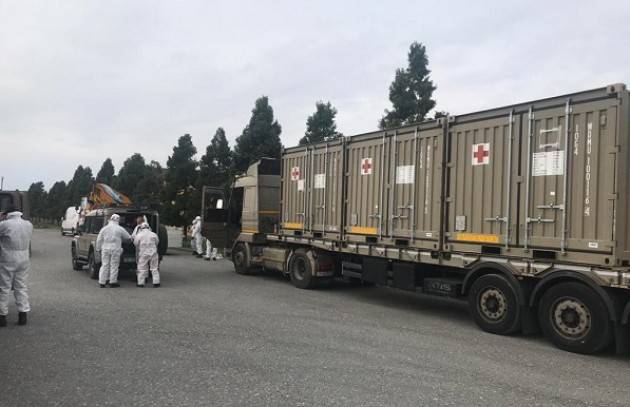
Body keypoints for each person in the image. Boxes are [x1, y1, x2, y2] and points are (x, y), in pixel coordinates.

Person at [0, 206, 33, 327]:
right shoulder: (28, 224)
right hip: (24, 259)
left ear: (7, 214)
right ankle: (23, 315)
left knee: (4, 288)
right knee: (21, 287)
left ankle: (2, 317)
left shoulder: (4, 225)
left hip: (7, 259)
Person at [96, 214, 131, 288]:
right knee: (114, 265)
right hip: (115, 249)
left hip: (105, 248)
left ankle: (102, 282)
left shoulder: (104, 228)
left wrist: (98, 249)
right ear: (118, 220)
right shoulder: (120, 229)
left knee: (105, 265)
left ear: (110, 219)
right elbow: (128, 237)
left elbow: (99, 239)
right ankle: (112, 282)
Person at [133, 223, 160, 288]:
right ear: (148, 227)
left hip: (143, 253)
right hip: (153, 253)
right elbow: (157, 242)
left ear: (141, 228)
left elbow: (135, 243)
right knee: (154, 268)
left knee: (142, 268)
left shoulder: (139, 235)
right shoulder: (154, 234)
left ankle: (140, 283)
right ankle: (156, 283)